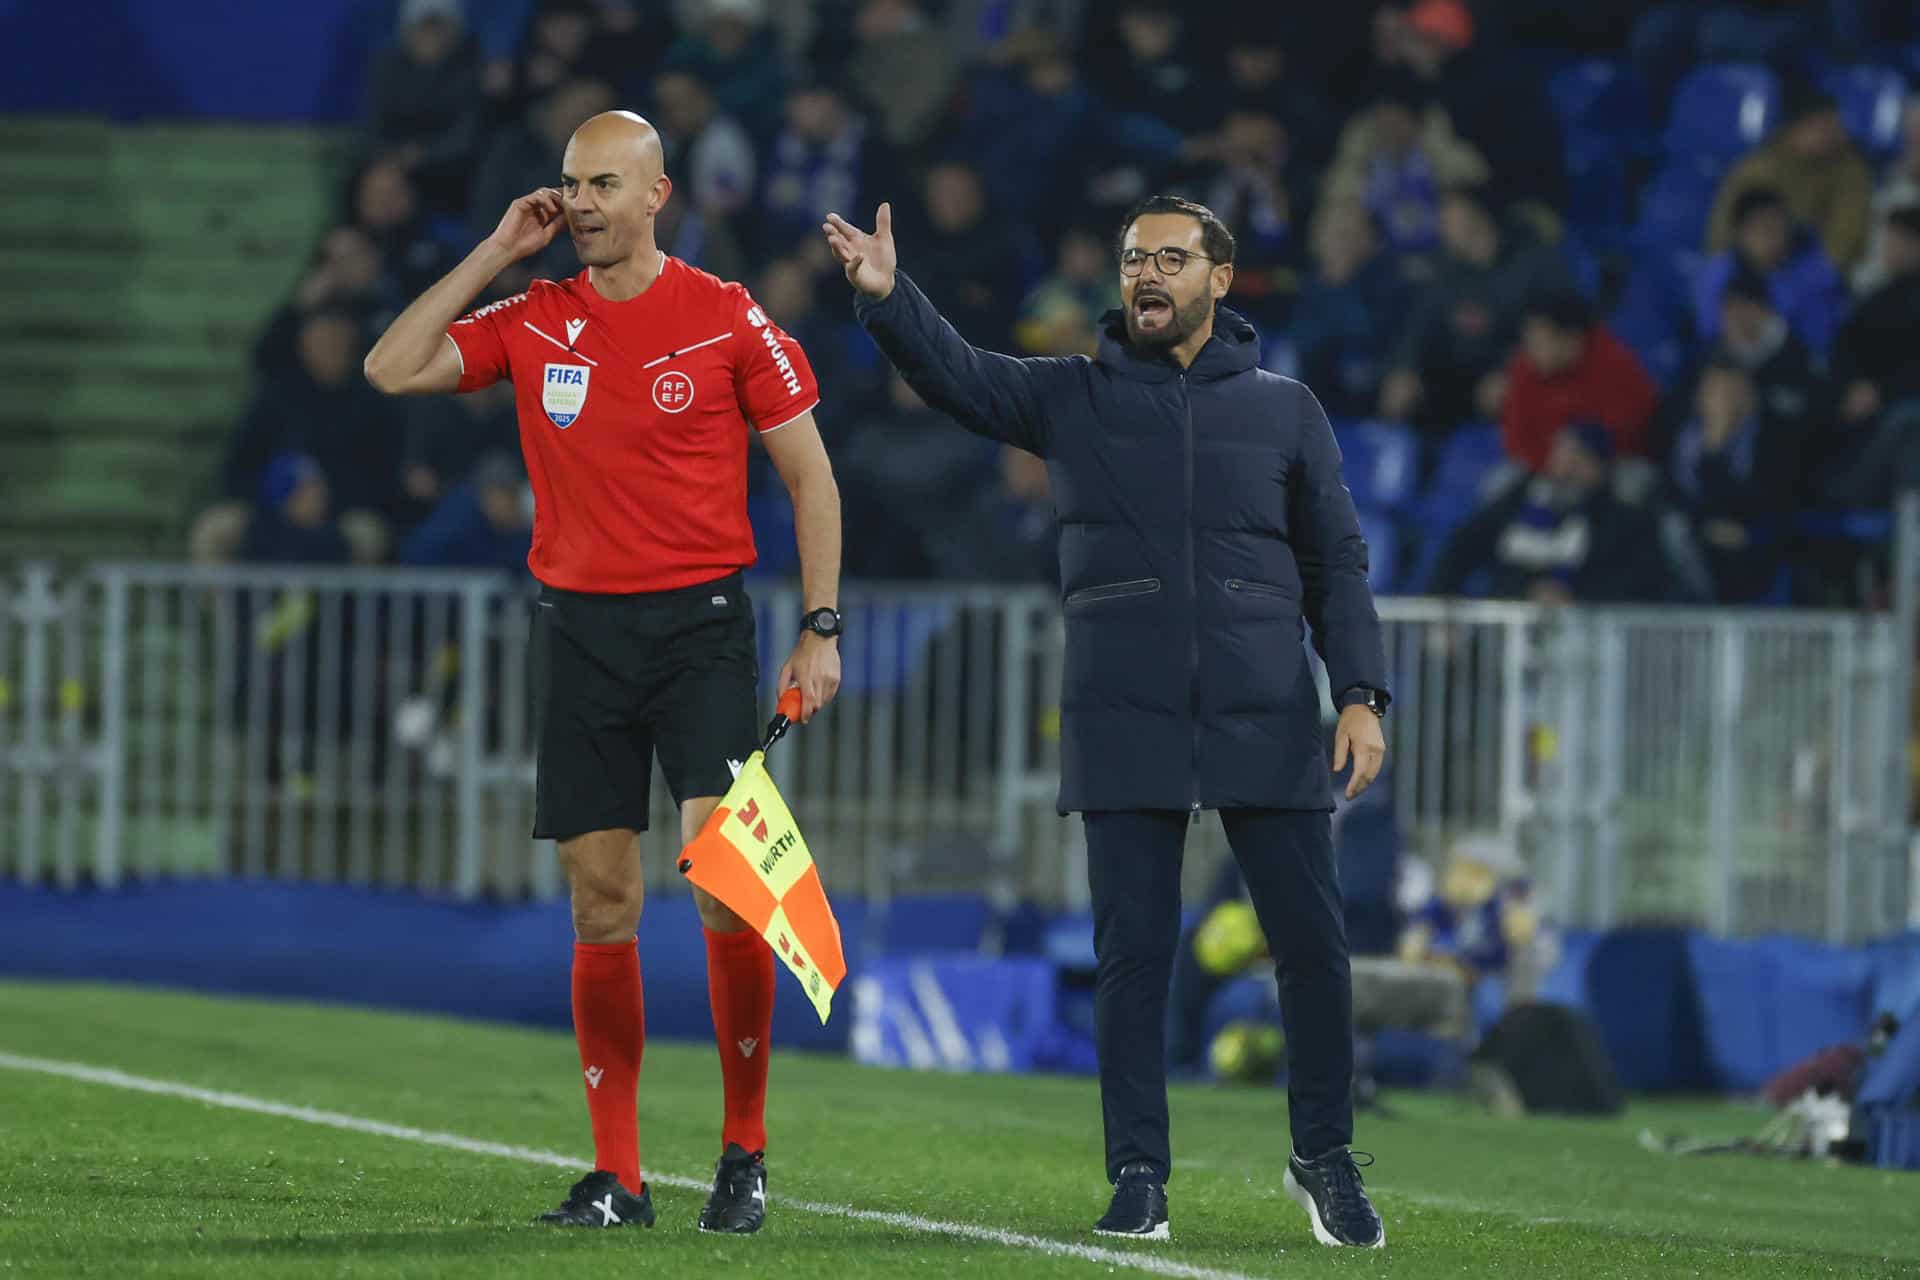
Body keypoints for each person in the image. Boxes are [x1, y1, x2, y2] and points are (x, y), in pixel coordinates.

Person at [825, 194, 1391, 1248]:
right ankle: (1138, 1173)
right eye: (1136, 258)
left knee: (1313, 945)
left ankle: (1325, 1154)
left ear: (1221, 279)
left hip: (1266, 707)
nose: (1149, 275)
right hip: (1123, 713)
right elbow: (960, 376)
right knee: (1134, 954)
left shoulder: (1285, 409)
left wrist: (1360, 691)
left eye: (1172, 258)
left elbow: (1336, 563)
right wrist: (889, 298)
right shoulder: (1072, 396)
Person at [364, 109, 844, 1233]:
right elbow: (392, 369)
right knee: (602, 893)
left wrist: (819, 625)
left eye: (601, 186)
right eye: (569, 184)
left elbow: (812, 479)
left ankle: (744, 1149)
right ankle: (619, 1175)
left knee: (727, 883)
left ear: (656, 195)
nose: (578, 203)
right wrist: (493, 251)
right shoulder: (536, 317)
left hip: (702, 628)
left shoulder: (725, 316)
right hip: (577, 630)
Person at [1708, 83, 1873, 274]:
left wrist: (1807, 279)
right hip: (1750, 276)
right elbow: (1723, 234)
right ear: (1794, 128)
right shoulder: (1761, 166)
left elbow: (1844, 237)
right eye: (1821, 125)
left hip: (1814, 281)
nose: (1833, 134)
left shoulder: (1850, 170)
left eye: (1834, 125)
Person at [1499, 288, 1658, 471]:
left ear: (1572, 339)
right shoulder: (1525, 367)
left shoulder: (1614, 361)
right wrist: (1550, 461)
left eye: (1541, 343)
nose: (1531, 351)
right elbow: (1516, 440)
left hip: (1610, 466)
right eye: (1529, 342)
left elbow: (1635, 429)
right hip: (1546, 469)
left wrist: (1587, 450)